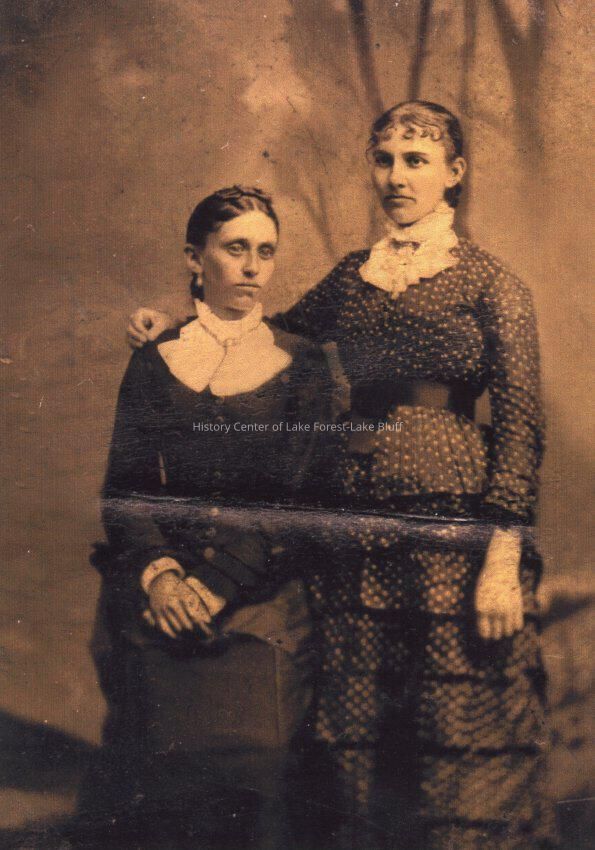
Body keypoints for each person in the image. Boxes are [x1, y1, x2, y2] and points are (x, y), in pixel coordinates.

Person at [127, 102, 556, 849]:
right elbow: (265, 339)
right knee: (354, 741)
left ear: (453, 173)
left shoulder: (491, 284)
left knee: (457, 733)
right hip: (353, 539)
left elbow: (521, 425)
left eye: (416, 160)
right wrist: (173, 326)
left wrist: (501, 559)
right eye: (384, 159)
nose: (396, 177)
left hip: (451, 538)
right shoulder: (353, 278)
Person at [87, 186, 334, 850]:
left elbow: (295, 501)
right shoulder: (155, 359)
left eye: (265, 252)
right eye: (235, 249)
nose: (252, 268)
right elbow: (125, 490)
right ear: (196, 259)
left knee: (258, 777)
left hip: (263, 598)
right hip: (165, 602)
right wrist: (164, 578)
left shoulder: (303, 364)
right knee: (160, 784)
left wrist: (215, 583)